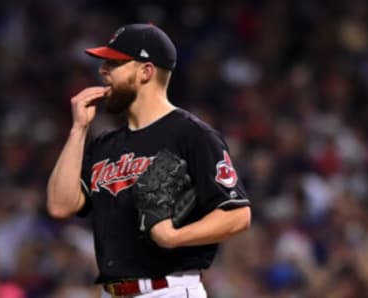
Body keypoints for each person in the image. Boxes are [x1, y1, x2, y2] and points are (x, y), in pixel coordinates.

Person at [47, 23, 251, 298]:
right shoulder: (105, 145)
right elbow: (60, 206)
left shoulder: (191, 134)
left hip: (170, 289)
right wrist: (78, 130)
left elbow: (238, 214)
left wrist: (175, 237)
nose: (103, 71)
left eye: (114, 63)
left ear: (146, 71)